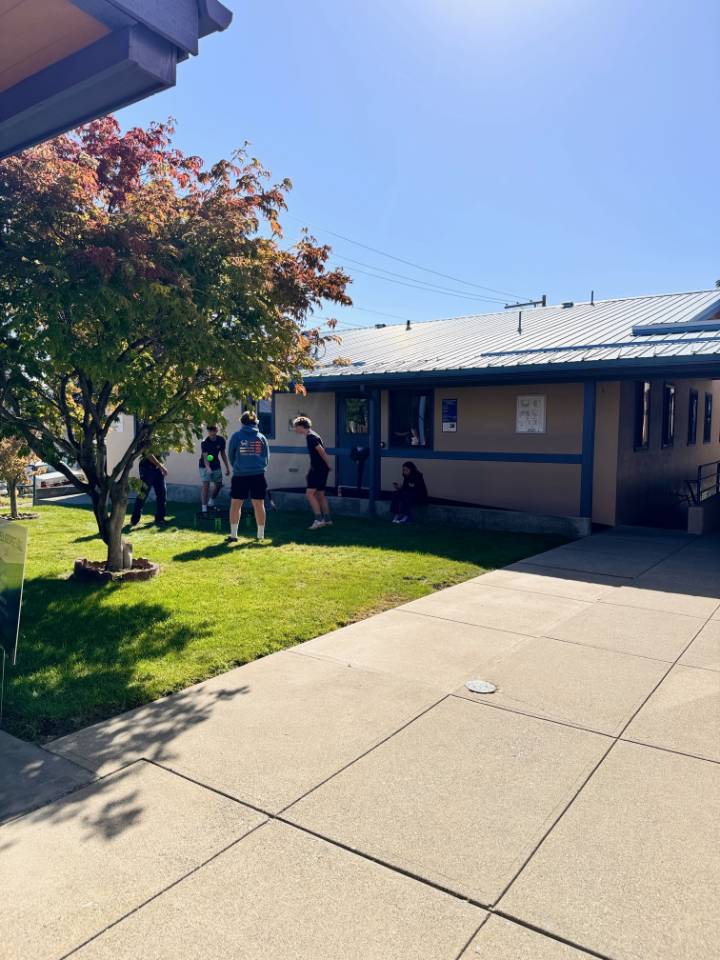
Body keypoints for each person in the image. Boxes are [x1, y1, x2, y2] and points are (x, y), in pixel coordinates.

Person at [226, 411, 270, 543]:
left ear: (242, 422)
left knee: (235, 504)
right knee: (259, 504)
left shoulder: (236, 436)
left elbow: (231, 455)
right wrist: (260, 467)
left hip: (240, 475)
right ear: (255, 422)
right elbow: (266, 457)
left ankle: (233, 535)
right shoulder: (261, 437)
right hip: (258, 475)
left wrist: (238, 467)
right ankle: (260, 536)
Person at [293, 416, 333, 529]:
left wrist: (328, 464)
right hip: (319, 469)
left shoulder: (311, 437)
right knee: (320, 495)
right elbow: (316, 456)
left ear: (301, 426)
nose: (295, 429)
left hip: (318, 470)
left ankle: (319, 520)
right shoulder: (313, 435)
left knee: (309, 494)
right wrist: (310, 470)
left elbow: (321, 451)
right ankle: (327, 520)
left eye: (296, 427)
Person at [130, 453, 168, 526]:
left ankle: (160, 519)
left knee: (162, 494)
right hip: (147, 468)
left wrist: (161, 466)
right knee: (143, 494)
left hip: (158, 469)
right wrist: (161, 467)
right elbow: (148, 454)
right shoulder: (146, 444)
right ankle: (134, 520)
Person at [199, 425, 230, 513]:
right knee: (206, 486)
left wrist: (227, 467)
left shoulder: (221, 440)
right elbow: (205, 457)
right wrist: (208, 468)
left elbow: (223, 453)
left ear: (217, 431)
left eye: (213, 431)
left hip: (216, 465)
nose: (212, 433)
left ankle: (211, 502)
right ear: (208, 432)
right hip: (204, 466)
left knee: (219, 484)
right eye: (210, 431)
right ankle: (204, 509)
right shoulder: (204, 442)